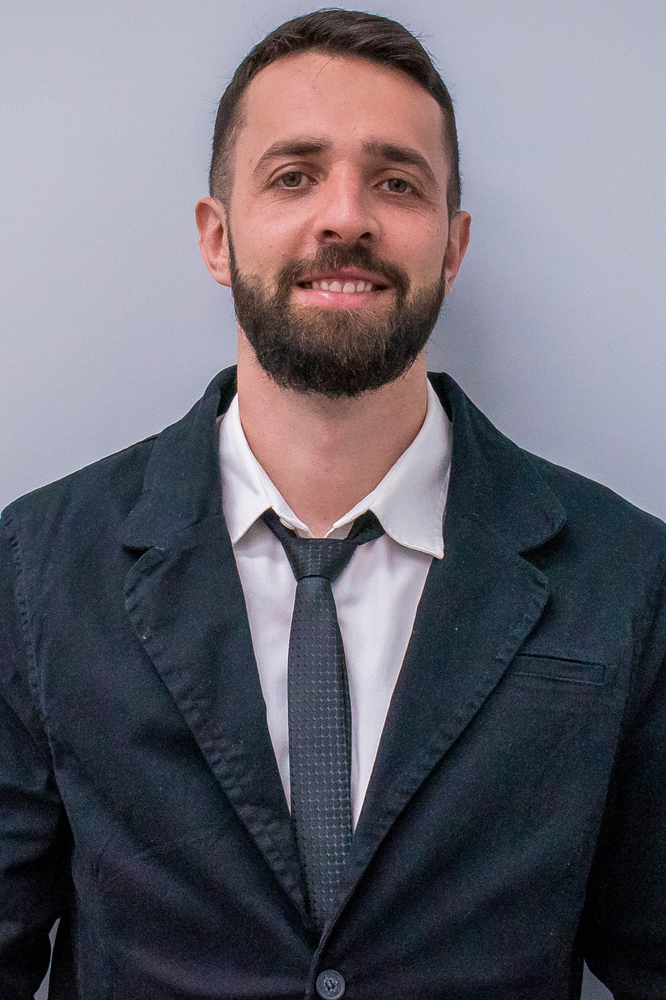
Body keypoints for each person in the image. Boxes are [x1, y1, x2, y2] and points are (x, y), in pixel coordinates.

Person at [1, 8, 664, 999]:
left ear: (453, 247)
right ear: (217, 238)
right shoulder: (37, 566)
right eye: (293, 175)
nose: (346, 217)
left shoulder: (626, 576)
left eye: (397, 182)